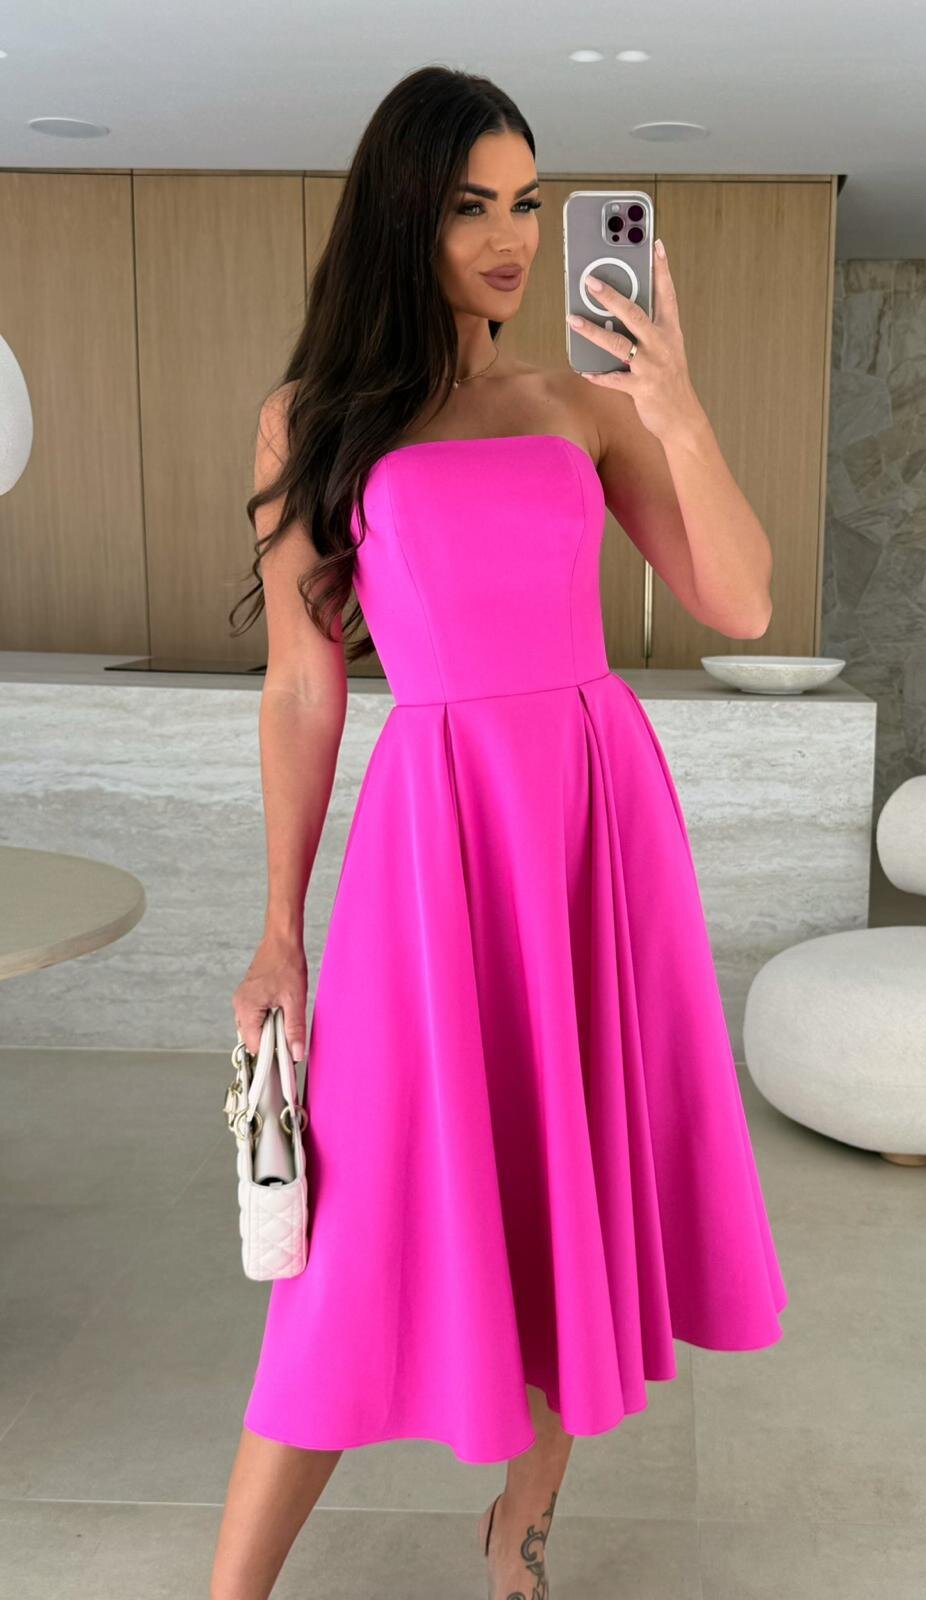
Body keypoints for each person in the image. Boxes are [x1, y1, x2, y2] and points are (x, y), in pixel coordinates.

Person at [210, 63, 787, 1600]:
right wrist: (279, 930)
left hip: (597, 820)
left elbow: (741, 600)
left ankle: (518, 1532)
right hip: (437, 840)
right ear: (404, 216)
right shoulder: (311, 422)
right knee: (347, 1244)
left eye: (528, 203)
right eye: (473, 206)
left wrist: (674, 404)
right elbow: (304, 683)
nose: (513, 238)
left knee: (569, 1178)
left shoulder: (581, 406)